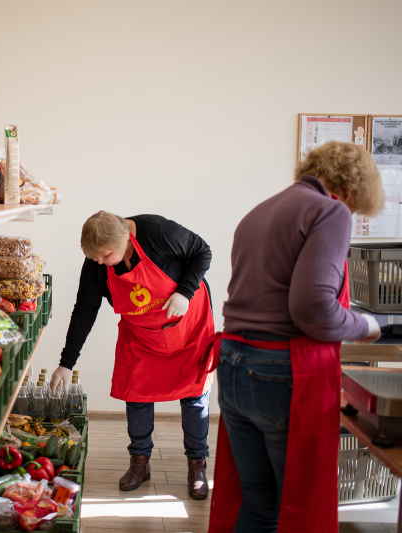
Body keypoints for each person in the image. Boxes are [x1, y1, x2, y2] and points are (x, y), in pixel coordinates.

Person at [205, 141, 384, 533]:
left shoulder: (261, 210)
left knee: (258, 503)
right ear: (351, 191)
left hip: (234, 363)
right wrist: (366, 325)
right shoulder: (331, 210)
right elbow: (313, 309)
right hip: (280, 372)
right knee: (299, 506)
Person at [51, 211, 215, 498]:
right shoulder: (96, 262)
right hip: (142, 334)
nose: (98, 262)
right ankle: (139, 462)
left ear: (124, 240)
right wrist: (66, 363)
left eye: (104, 255)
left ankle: (197, 465)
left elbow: (202, 251)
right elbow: (84, 311)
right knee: (137, 393)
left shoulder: (156, 232)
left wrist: (185, 292)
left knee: (193, 395)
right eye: (94, 257)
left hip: (188, 326)